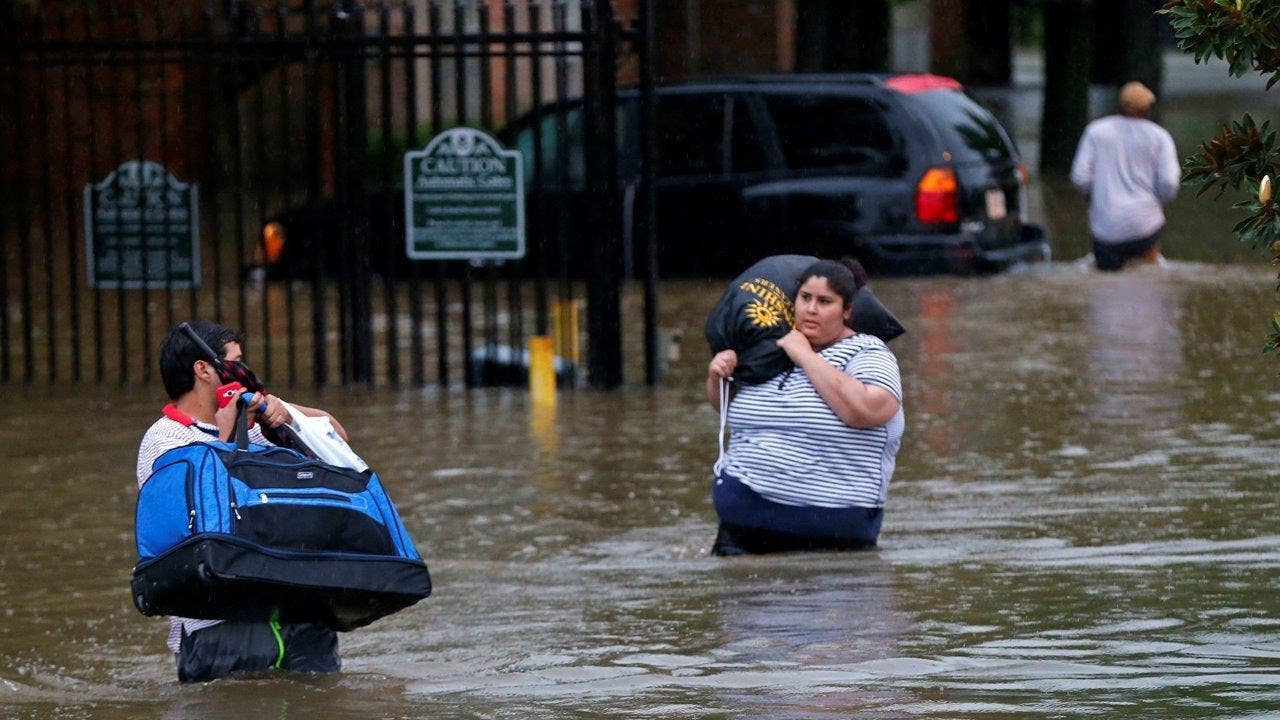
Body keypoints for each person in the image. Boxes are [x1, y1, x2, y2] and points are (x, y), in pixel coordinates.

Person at [136, 320, 347, 682]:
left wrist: (284, 411)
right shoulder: (164, 439)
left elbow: (338, 444)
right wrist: (226, 434)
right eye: (236, 362)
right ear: (203, 369)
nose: (245, 373)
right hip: (220, 624)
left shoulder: (257, 424)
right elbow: (205, 513)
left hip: (299, 609)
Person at [705, 258, 904, 555]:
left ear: (847, 311)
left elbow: (867, 410)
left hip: (831, 538)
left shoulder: (867, 353)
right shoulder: (769, 351)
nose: (811, 310)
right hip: (739, 535)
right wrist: (717, 375)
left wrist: (805, 356)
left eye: (825, 302)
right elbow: (729, 410)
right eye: (805, 298)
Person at [1069, 80, 1181, 271]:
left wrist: (1096, 197)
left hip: (1106, 228)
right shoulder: (1160, 137)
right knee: (1150, 283)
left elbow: (1079, 178)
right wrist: (1157, 202)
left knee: (1106, 286)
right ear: (1147, 107)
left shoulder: (1095, 131)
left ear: (1120, 105)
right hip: (1145, 225)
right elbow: (1169, 183)